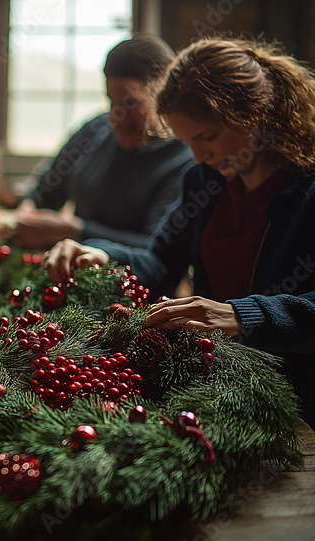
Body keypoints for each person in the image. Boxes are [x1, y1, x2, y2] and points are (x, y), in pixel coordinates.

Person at [44, 38, 315, 426]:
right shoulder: (205, 181)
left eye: (206, 138)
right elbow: (159, 264)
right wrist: (104, 254)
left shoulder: (307, 191)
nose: (198, 156)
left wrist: (244, 315)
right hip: (214, 393)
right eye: (186, 142)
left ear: (256, 116)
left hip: (296, 408)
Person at [16, 34, 194, 250]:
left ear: (163, 96)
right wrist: (28, 208)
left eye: (130, 103)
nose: (116, 117)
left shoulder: (183, 160)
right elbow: (45, 189)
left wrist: (75, 231)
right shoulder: (95, 130)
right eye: (111, 102)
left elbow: (155, 249)